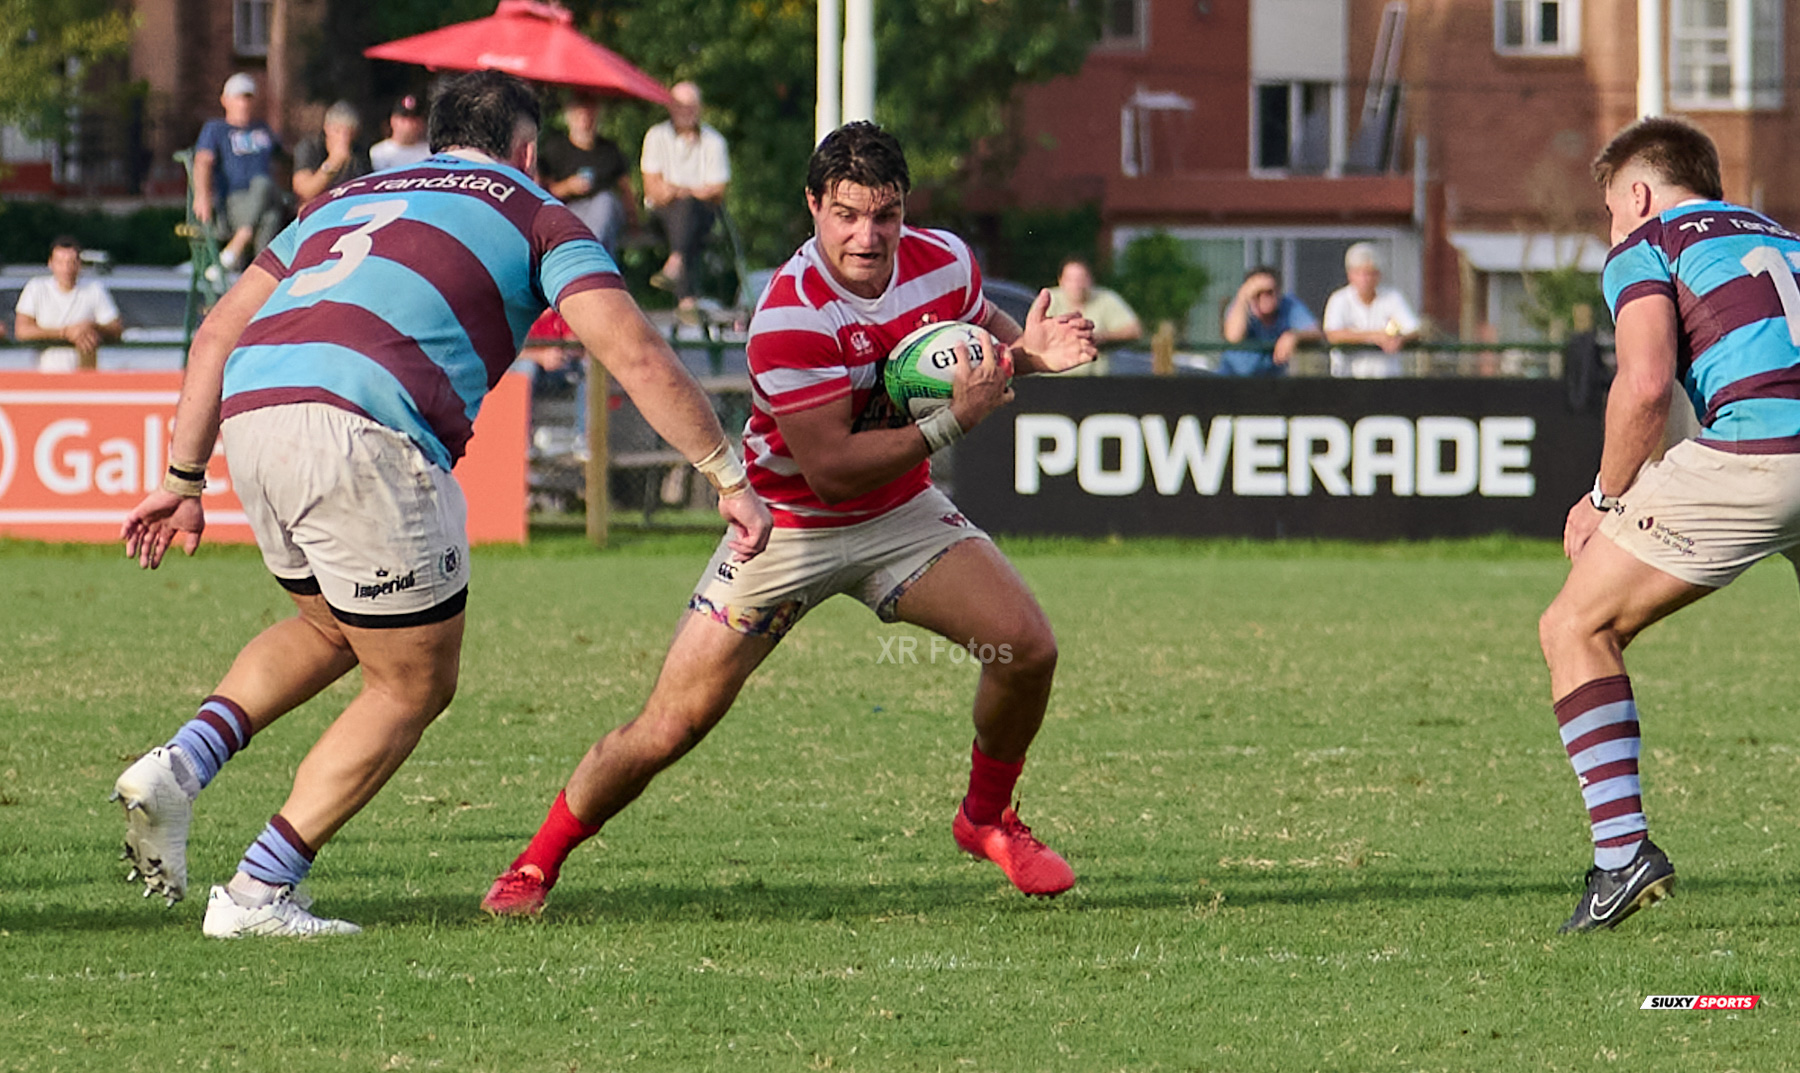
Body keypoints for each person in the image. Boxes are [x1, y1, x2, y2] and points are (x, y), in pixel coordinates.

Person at [112, 70, 771, 939]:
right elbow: (636, 353)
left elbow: (215, 331)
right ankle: (258, 893)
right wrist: (727, 473)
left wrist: (184, 479)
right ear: (528, 151)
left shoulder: (348, 196)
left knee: (331, 630)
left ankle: (180, 765)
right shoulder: (537, 212)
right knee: (415, 680)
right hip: (366, 431)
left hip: (256, 412)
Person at [481, 120, 1098, 918]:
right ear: (813, 205)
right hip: (788, 527)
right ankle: (536, 862)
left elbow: (978, 338)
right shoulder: (789, 311)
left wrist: (1031, 350)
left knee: (1025, 650)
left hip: (902, 514)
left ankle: (985, 818)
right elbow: (832, 471)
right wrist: (956, 423)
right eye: (846, 213)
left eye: (884, 214)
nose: (867, 235)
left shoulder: (944, 258)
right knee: (670, 725)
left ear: (906, 208)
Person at [1536, 116, 1800, 932]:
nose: (1613, 228)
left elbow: (1647, 387)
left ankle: (1622, 857)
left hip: (1764, 451)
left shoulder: (1648, 240)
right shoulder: (1783, 234)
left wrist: (1605, 499)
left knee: (1573, 625)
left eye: (1612, 210)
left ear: (1640, 194)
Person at [641, 81, 730, 313]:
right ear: (671, 107)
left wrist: (678, 190)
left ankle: (676, 264)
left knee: (688, 208)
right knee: (686, 210)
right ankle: (687, 297)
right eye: (681, 106)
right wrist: (692, 191)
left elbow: (718, 190)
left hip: (701, 214)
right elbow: (654, 190)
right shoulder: (656, 136)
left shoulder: (714, 141)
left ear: (700, 108)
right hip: (662, 216)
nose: (686, 112)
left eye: (691, 106)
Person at [193, 73, 283, 272]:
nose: (243, 103)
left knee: (264, 185)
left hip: (267, 194)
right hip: (236, 199)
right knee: (271, 215)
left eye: (248, 98)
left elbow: (285, 158)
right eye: (238, 97)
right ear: (225, 101)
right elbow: (202, 162)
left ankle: (241, 240)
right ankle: (260, 272)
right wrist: (202, 195)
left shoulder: (263, 128)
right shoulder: (216, 129)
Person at [539, 91, 635, 258]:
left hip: (606, 212)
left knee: (606, 202)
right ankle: (597, 261)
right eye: (579, 113)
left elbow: (625, 188)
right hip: (570, 209)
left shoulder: (609, 150)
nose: (585, 118)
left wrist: (634, 221)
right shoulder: (555, 149)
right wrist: (568, 186)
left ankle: (588, 255)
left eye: (590, 113)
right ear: (569, 116)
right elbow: (543, 190)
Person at [13, 236, 123, 372]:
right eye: (60, 262)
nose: (66, 268)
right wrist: (66, 333)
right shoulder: (36, 288)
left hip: (84, 376)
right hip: (45, 376)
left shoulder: (94, 289)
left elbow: (116, 328)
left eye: (71, 262)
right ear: (50, 263)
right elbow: (22, 331)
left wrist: (91, 327)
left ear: (80, 264)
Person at [1321, 242, 1420, 378]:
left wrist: (1400, 339)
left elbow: (1414, 329)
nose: (1365, 279)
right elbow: (1332, 334)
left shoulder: (1392, 297)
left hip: (1386, 378)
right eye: (1359, 273)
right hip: (1348, 378)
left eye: (1370, 273)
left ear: (1379, 275)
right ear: (1350, 275)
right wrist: (1375, 337)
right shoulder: (1339, 299)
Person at [1044, 257, 1140, 376]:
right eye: (1070, 279)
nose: (1076, 285)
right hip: (1053, 381)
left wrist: (1101, 337)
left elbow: (1134, 330)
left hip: (1096, 380)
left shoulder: (1105, 299)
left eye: (1081, 279)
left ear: (1090, 280)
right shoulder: (1048, 299)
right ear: (1060, 280)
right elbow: (1034, 335)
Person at [1218, 266, 1319, 377]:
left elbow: (1315, 332)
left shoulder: (1289, 305)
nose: (1264, 297)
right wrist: (1243, 296)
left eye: (1269, 292)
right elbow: (1233, 338)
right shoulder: (1240, 307)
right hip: (1233, 380)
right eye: (1258, 293)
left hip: (1271, 382)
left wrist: (1295, 336)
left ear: (1278, 291)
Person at [291, 101, 374, 203]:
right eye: (337, 130)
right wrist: (332, 163)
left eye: (349, 132)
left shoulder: (360, 150)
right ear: (327, 128)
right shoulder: (310, 147)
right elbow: (304, 192)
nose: (343, 138)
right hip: (317, 206)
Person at [369, 94, 432, 171]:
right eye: (405, 118)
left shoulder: (431, 152)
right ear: (393, 120)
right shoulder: (377, 153)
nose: (410, 124)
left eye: (415, 118)